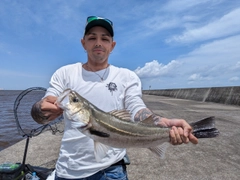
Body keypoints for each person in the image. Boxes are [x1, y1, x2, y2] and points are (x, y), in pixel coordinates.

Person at [31, 16, 198, 180]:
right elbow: (44, 107)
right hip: (69, 169)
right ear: (83, 43)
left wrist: (159, 122)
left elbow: (135, 106)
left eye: (104, 38)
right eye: (92, 38)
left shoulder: (127, 76)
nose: (98, 43)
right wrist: (41, 109)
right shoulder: (65, 73)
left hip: (112, 170)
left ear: (112, 45)